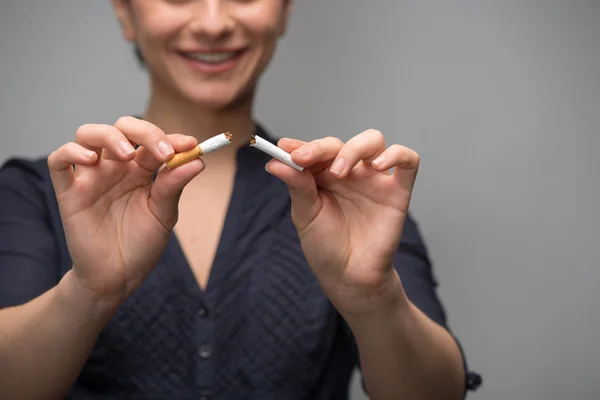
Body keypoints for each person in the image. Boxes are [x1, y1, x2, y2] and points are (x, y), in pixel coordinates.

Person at [0, 1, 481, 399]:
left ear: (285, 10)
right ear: (126, 13)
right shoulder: (36, 194)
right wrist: (88, 292)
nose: (213, 22)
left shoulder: (351, 197)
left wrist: (373, 297)